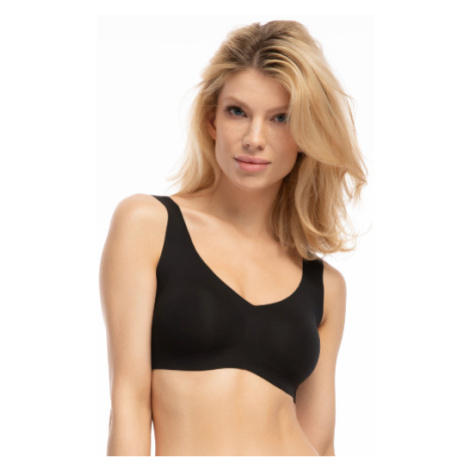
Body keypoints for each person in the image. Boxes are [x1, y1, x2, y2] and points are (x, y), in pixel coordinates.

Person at [99, 19, 367, 456]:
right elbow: (128, 403)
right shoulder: (148, 225)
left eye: (281, 118)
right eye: (237, 112)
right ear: (212, 120)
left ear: (306, 134)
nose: (254, 139)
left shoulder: (325, 286)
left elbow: (321, 444)